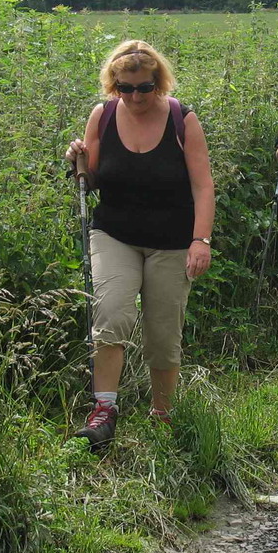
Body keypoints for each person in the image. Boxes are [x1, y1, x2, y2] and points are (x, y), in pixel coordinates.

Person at [63, 40, 215, 448]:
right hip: (115, 233)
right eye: (124, 88)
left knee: (163, 334)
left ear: (158, 84)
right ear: (113, 86)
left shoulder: (183, 119)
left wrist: (201, 240)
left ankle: (162, 414)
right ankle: (104, 410)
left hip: (172, 240)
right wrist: (77, 159)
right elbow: (90, 179)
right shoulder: (103, 116)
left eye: (143, 88)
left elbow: (203, 185)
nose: (133, 97)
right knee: (111, 313)